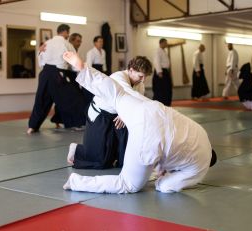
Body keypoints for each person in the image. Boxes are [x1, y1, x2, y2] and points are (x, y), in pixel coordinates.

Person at [62, 51, 217, 194]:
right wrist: (162, 177)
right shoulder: (200, 169)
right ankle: (75, 182)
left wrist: (83, 68)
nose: (142, 79)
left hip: (155, 112)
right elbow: (165, 186)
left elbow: (114, 91)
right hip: (114, 119)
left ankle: (82, 67)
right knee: (127, 183)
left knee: (117, 96)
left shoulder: (202, 133)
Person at [67, 56, 152, 169]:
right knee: (101, 160)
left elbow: (137, 102)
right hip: (100, 114)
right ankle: (77, 150)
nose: (143, 80)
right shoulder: (118, 77)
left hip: (118, 116)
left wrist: (124, 115)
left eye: (145, 77)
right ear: (131, 70)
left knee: (125, 160)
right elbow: (127, 97)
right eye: (141, 76)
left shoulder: (140, 84)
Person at [27, 24, 85, 134]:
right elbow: (74, 63)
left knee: (41, 100)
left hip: (44, 73)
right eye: (68, 33)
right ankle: (76, 123)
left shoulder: (46, 43)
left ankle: (32, 126)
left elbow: (40, 60)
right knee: (73, 98)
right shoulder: (66, 44)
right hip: (58, 74)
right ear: (66, 32)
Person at [51, 32, 84, 128]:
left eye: (80, 41)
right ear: (72, 41)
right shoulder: (67, 49)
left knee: (74, 98)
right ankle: (63, 120)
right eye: (78, 41)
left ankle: (71, 120)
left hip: (74, 76)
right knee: (67, 98)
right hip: (66, 74)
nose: (79, 43)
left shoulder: (76, 50)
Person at [153, 38, 172, 106]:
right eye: (165, 43)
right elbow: (156, 61)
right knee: (160, 89)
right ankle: (160, 104)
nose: (166, 44)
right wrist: (159, 72)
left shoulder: (164, 51)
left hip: (165, 71)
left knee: (167, 89)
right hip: (160, 72)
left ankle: (166, 103)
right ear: (161, 43)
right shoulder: (158, 51)